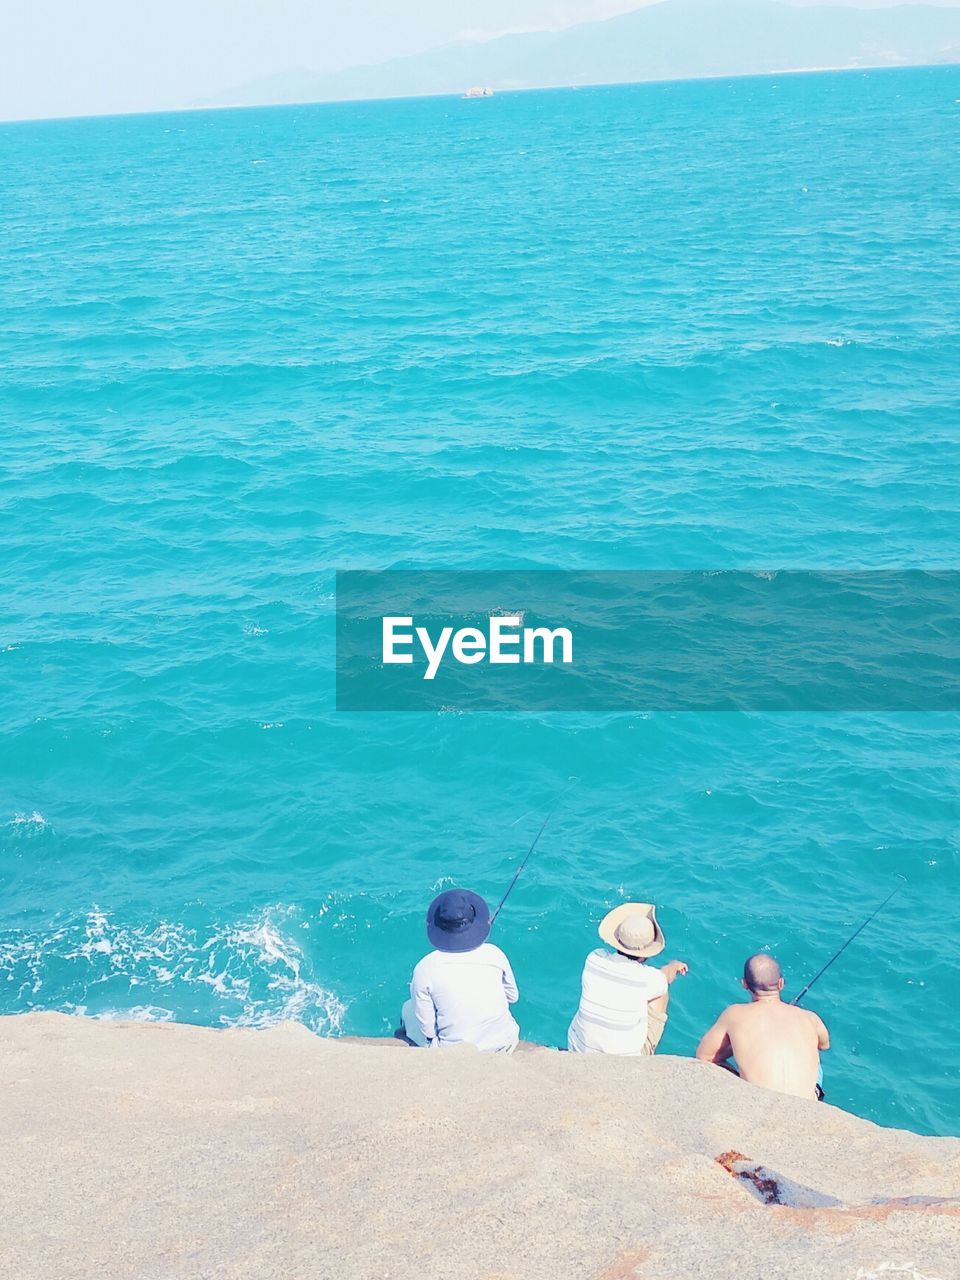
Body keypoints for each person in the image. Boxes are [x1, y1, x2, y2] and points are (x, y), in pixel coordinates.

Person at [696, 953, 830, 1101]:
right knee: (817, 1065)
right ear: (781, 983)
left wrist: (736, 1045)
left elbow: (704, 1056)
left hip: (761, 1106)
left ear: (744, 984)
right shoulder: (811, 1018)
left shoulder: (734, 1014)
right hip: (805, 1109)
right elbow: (824, 1044)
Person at [400, 888, 520, 1052]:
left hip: (453, 1052)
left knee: (407, 1008)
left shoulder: (425, 968)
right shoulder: (495, 954)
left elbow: (427, 1030)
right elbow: (512, 997)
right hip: (504, 1045)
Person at [567, 902, 688, 1056]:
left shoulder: (594, 957)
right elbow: (666, 977)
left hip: (577, 1049)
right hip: (623, 1064)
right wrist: (674, 965)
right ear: (646, 951)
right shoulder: (649, 978)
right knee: (661, 994)